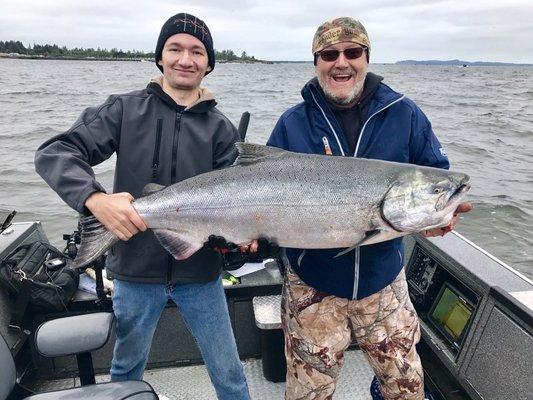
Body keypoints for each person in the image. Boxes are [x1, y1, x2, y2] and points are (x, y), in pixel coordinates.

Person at [35, 12, 250, 400]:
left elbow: (231, 204)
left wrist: (240, 239)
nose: (186, 59)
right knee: (125, 368)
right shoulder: (123, 110)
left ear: (209, 64)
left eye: (197, 51)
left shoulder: (222, 129)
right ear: (160, 57)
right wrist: (95, 199)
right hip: (134, 270)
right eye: (176, 48)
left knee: (230, 371)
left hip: (200, 274)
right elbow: (55, 152)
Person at [267, 17, 472, 400]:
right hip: (312, 285)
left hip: (384, 282)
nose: (340, 62)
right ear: (316, 62)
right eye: (329, 54)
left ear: (367, 57)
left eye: (352, 52)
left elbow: (434, 178)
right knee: (308, 394)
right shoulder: (292, 125)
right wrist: (255, 238)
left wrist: (435, 217)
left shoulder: (404, 114)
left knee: (406, 389)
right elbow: (261, 192)